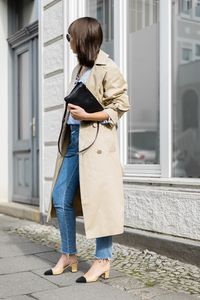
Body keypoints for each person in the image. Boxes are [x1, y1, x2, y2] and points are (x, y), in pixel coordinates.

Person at [44, 17, 130, 283]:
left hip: (96, 145)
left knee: (101, 204)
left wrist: (87, 115)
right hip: (73, 142)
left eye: (70, 37)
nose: (68, 42)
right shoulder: (79, 69)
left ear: (81, 39)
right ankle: (69, 254)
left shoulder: (108, 67)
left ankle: (102, 260)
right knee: (61, 197)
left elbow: (121, 105)